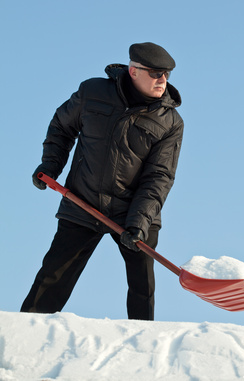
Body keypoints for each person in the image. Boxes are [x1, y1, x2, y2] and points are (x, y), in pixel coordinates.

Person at [20, 42, 184, 320]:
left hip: (133, 212)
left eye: (166, 74)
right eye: (156, 73)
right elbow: (62, 126)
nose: (163, 80)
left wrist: (138, 223)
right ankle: (23, 338)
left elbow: (159, 176)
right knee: (52, 278)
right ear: (134, 71)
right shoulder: (93, 92)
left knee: (142, 287)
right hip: (83, 202)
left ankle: (145, 348)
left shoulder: (170, 121)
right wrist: (51, 164)